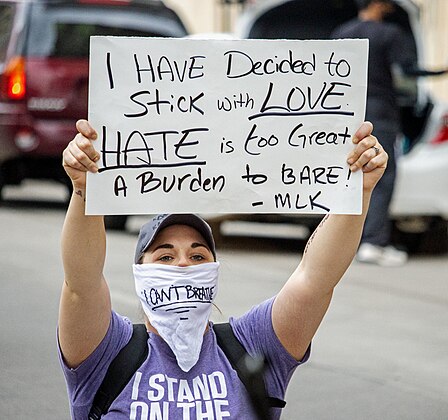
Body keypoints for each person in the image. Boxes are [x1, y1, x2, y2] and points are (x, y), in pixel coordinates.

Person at [59, 118, 387, 419]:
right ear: (140, 273)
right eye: (165, 256)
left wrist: (357, 190)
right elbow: (81, 283)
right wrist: (85, 191)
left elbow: (315, 279)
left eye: (198, 256)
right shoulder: (108, 351)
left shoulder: (252, 344)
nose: (184, 263)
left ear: (215, 271)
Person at [331, 0, 448, 266]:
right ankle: (373, 242)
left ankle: (345, 242)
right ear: (377, 4)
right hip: (380, 115)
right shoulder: (389, 34)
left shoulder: (341, 32)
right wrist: (441, 70)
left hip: (346, 114)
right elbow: (407, 71)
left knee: (347, 177)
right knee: (381, 175)